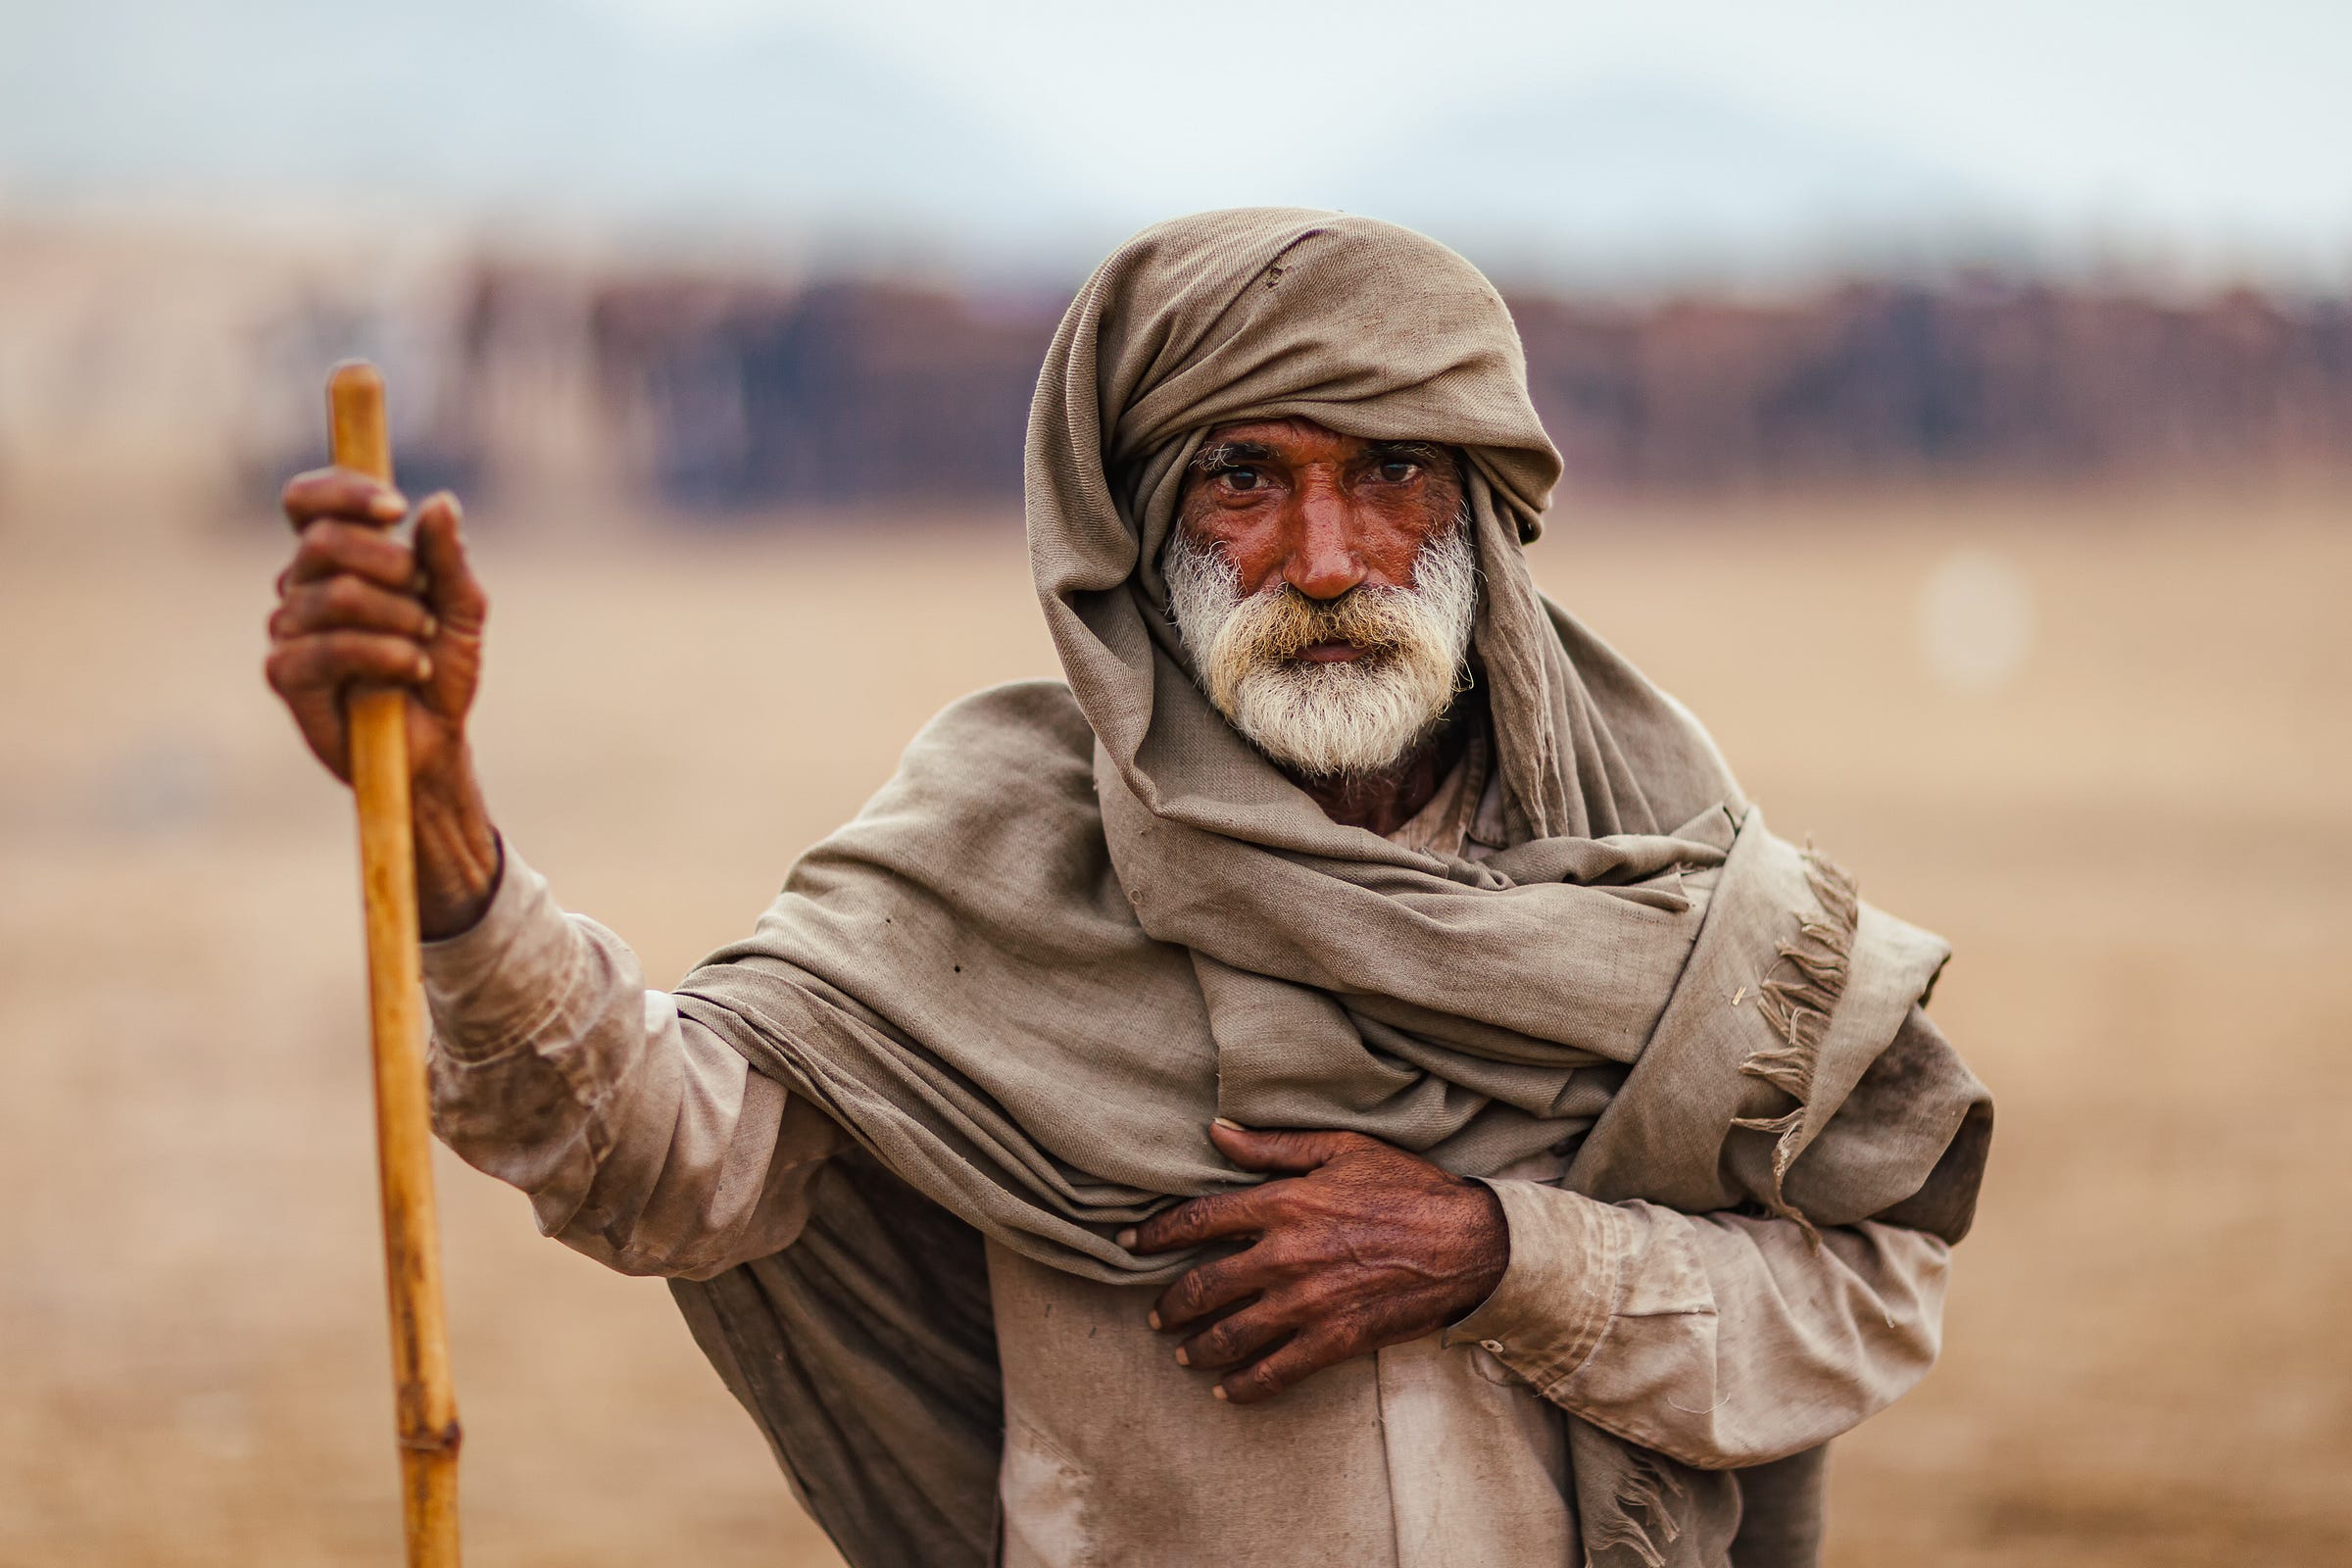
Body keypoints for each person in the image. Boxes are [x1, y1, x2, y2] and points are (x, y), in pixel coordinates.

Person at [264, 210, 1992, 1568]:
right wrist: (447, 833)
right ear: (1143, 545)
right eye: (1246, 479)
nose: (1326, 561)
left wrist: (1491, 1255)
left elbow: (1864, 1295)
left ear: (1474, 511)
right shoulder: (996, 839)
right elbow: (658, 1167)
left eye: (1387, 475)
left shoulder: (1651, 830)